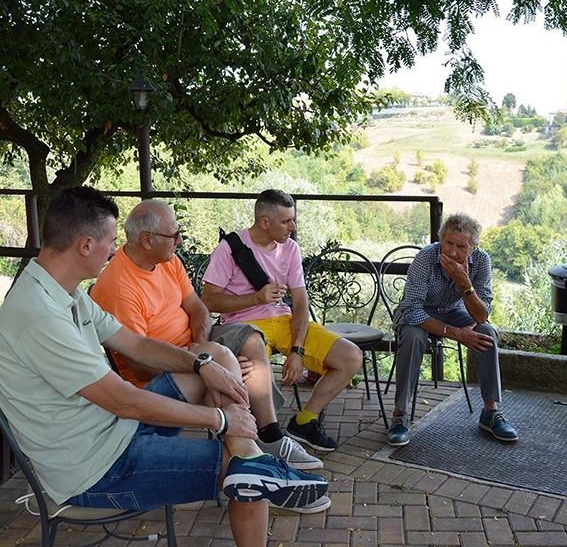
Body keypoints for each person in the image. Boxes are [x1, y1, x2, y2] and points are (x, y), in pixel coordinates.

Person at [0, 187, 331, 547]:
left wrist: (200, 363)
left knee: (216, 365)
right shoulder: (40, 315)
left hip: (115, 431)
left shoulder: (66, 292)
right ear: (84, 246)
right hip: (97, 471)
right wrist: (220, 420)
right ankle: (257, 464)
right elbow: (123, 399)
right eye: (111, 241)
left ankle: (255, 457)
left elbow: (137, 344)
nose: (115, 249)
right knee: (243, 474)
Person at [90, 200, 323, 479]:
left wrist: (200, 348)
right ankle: (253, 462)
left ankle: (267, 437)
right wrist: (201, 363)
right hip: (157, 377)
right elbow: (140, 365)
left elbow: (198, 307)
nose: (181, 240)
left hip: (194, 349)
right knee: (223, 366)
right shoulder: (118, 288)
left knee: (248, 337)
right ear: (147, 241)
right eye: (174, 235)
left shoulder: (167, 261)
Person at [201, 189, 362, 452]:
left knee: (351, 356)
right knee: (256, 372)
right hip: (246, 328)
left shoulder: (290, 249)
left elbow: (300, 302)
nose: (293, 227)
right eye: (286, 221)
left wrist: (297, 350)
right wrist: (256, 298)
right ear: (265, 222)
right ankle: (267, 435)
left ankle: (305, 421)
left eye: (293, 220)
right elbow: (209, 301)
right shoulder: (228, 249)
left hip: (284, 324)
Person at [387, 213, 518, 446]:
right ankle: (400, 414)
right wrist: (456, 333)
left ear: (473, 248)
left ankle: (490, 411)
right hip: (417, 312)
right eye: (448, 243)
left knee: (486, 333)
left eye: (461, 246)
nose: (452, 252)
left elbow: (481, 314)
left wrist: (464, 283)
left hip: (452, 310)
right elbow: (412, 311)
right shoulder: (425, 258)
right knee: (413, 336)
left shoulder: (482, 261)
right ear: (441, 240)